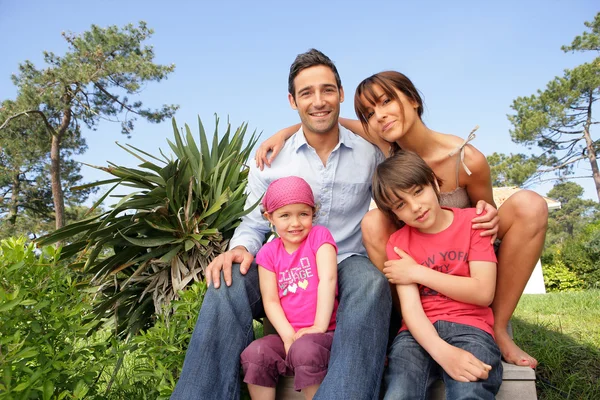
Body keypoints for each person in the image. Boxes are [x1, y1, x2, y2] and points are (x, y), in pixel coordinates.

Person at [255, 70, 548, 368]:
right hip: (414, 258)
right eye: (370, 112)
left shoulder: (466, 159)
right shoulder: (385, 144)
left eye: (386, 102)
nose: (379, 116)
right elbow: (327, 121)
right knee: (373, 222)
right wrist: (284, 133)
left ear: (412, 99)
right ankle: (407, 324)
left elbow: (482, 211)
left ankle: (496, 329)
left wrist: (490, 214)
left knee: (530, 205)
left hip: (460, 255)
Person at [171, 49, 391, 400]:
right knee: (227, 280)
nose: (318, 101)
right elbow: (253, 223)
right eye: (306, 93)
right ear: (292, 100)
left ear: (341, 94)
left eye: (327, 90)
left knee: (372, 284)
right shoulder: (270, 160)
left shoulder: (370, 153)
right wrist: (240, 248)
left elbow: (402, 161)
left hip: (345, 260)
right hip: (283, 264)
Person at [373, 150, 503, 399]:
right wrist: (443, 353)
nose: (415, 207)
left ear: (433, 182)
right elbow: (410, 311)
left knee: (470, 391)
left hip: (470, 328)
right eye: (401, 205)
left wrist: (417, 272)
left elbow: (483, 293)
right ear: (394, 215)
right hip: (416, 334)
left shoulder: (473, 223)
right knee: (399, 393)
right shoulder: (399, 243)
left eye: (418, 191)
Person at [240, 176, 338, 400]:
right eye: (285, 215)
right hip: (290, 333)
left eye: (303, 214)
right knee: (255, 353)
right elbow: (271, 300)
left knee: (305, 350)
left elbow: (328, 280)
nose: (295, 223)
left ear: (313, 213)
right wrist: (286, 336)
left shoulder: (319, 237)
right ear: (270, 217)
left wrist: (318, 326)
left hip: (325, 333)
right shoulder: (268, 253)